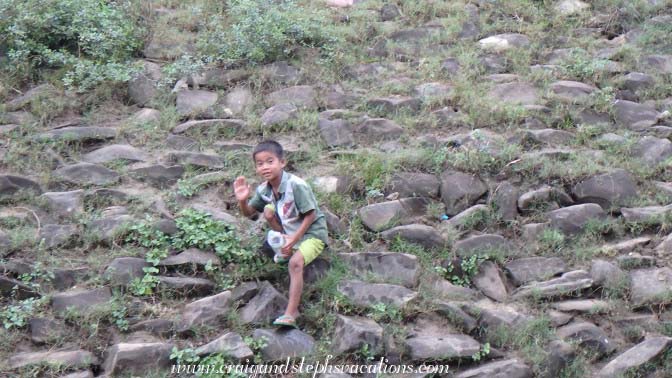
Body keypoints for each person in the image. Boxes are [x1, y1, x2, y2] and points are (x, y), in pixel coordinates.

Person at [232, 140, 328, 328]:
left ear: (282, 162)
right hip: (291, 233)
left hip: (311, 233)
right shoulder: (264, 189)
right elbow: (249, 213)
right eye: (260, 164)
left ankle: (291, 313)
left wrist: (294, 239)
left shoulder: (296, 185)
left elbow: (311, 214)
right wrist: (242, 201)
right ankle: (287, 250)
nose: (265, 167)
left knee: (295, 264)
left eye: (270, 161)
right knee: (268, 212)